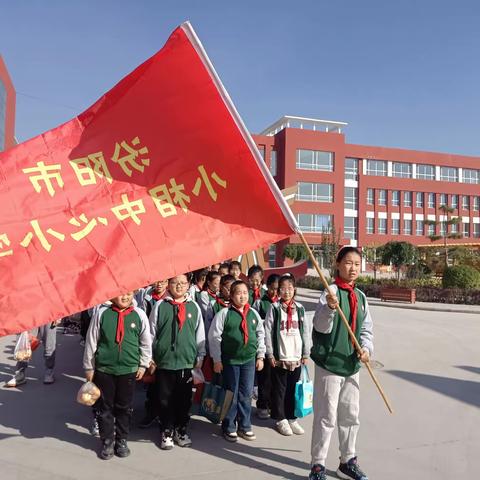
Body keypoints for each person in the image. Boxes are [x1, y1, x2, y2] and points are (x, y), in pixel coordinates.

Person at [308, 247, 373, 480]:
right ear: (337, 264)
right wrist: (329, 307)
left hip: (351, 364)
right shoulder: (330, 292)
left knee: (350, 415)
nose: (353, 268)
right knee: (326, 417)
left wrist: (366, 349)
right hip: (330, 364)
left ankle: (347, 460)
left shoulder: (361, 296)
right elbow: (320, 327)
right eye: (348, 263)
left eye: (357, 263)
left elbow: (366, 328)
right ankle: (317, 465)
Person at [83, 292, 151, 460]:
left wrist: (143, 364)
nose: (125, 297)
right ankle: (107, 441)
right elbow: (92, 341)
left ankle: (121, 440)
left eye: (128, 293)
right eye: (121, 294)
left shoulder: (139, 314)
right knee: (105, 407)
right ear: (112, 295)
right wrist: (89, 367)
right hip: (105, 369)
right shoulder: (102, 313)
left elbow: (145, 342)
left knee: (124, 407)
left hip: (128, 370)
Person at [149, 274, 206, 450]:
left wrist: (200, 356)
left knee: (183, 400)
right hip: (164, 362)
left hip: (186, 363)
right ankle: (166, 430)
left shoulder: (194, 306)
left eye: (182, 283)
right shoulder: (160, 306)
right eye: (174, 283)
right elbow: (151, 333)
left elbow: (200, 334)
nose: (179, 286)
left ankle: (181, 429)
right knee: (164, 399)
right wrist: (150, 357)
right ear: (168, 285)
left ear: (188, 285)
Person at [208, 280, 265, 442]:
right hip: (230, 361)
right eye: (238, 293)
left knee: (246, 394)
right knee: (231, 394)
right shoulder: (224, 314)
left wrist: (260, 356)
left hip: (248, 360)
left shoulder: (253, 314)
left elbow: (260, 335)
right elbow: (214, 338)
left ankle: (245, 425)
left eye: (245, 293)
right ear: (231, 295)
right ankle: (229, 425)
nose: (242, 296)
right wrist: (217, 360)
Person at [264, 274, 310, 436]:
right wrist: (270, 353)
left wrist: (306, 352)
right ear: (278, 291)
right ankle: (280, 418)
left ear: (294, 289)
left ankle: (292, 417)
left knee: (292, 388)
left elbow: (305, 332)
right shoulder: (275, 308)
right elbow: (268, 331)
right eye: (283, 288)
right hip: (280, 356)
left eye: (289, 288)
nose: (287, 292)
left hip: (296, 356)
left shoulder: (301, 309)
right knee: (279, 389)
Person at [138, 279, 168, 429]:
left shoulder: (171, 298)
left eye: (162, 282)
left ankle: (165, 416)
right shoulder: (147, 297)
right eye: (156, 282)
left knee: (166, 385)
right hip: (152, 344)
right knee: (153, 385)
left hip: (168, 347)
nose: (159, 285)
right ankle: (151, 413)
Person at [252, 273, 280, 419]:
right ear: (267, 287)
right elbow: (254, 323)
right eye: (272, 288)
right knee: (265, 378)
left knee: (277, 379)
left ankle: (273, 405)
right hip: (265, 344)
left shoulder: (282, 303)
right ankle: (262, 405)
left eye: (277, 289)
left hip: (280, 347)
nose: (275, 292)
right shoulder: (260, 302)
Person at [6, 320, 60, 387]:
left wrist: (58, 315)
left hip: (49, 313)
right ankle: (20, 374)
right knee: (24, 343)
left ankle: (49, 372)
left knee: (49, 344)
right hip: (30, 313)